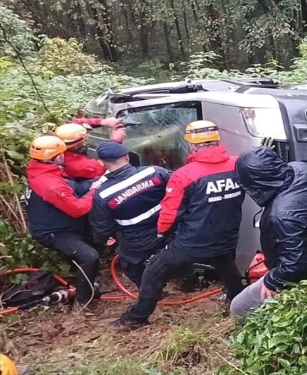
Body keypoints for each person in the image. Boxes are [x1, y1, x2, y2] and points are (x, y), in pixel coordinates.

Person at [112, 120, 245, 329]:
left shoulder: (184, 175)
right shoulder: (239, 165)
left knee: (153, 273)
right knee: (227, 268)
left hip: (192, 242)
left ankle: (135, 318)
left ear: (192, 145)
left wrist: (161, 234)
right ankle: (237, 301)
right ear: (216, 141)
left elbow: (170, 213)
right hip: (226, 237)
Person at [229, 146, 307, 321]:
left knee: (239, 307)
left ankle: (267, 335)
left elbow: (296, 265)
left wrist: (272, 281)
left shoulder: (280, 216)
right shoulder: (303, 169)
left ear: (255, 184)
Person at [25, 136, 103, 307]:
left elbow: (72, 186)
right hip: (54, 232)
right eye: (62, 153)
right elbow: (78, 209)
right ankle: (84, 302)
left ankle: (88, 283)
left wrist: (93, 183)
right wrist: (95, 190)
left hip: (58, 223)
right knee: (89, 257)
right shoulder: (51, 184)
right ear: (56, 157)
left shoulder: (40, 170)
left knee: (93, 244)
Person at [88, 142, 172, 287]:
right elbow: (180, 185)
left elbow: (102, 228)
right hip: (170, 230)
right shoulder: (154, 172)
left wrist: (103, 239)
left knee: (130, 265)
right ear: (127, 157)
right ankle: (190, 281)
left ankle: (153, 292)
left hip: (137, 242)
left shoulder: (102, 195)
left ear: (101, 163)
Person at [54, 117, 125, 181]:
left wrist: (103, 122)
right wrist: (116, 141)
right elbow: (107, 164)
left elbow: (77, 122)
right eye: (83, 141)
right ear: (75, 146)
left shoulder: (55, 142)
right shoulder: (77, 165)